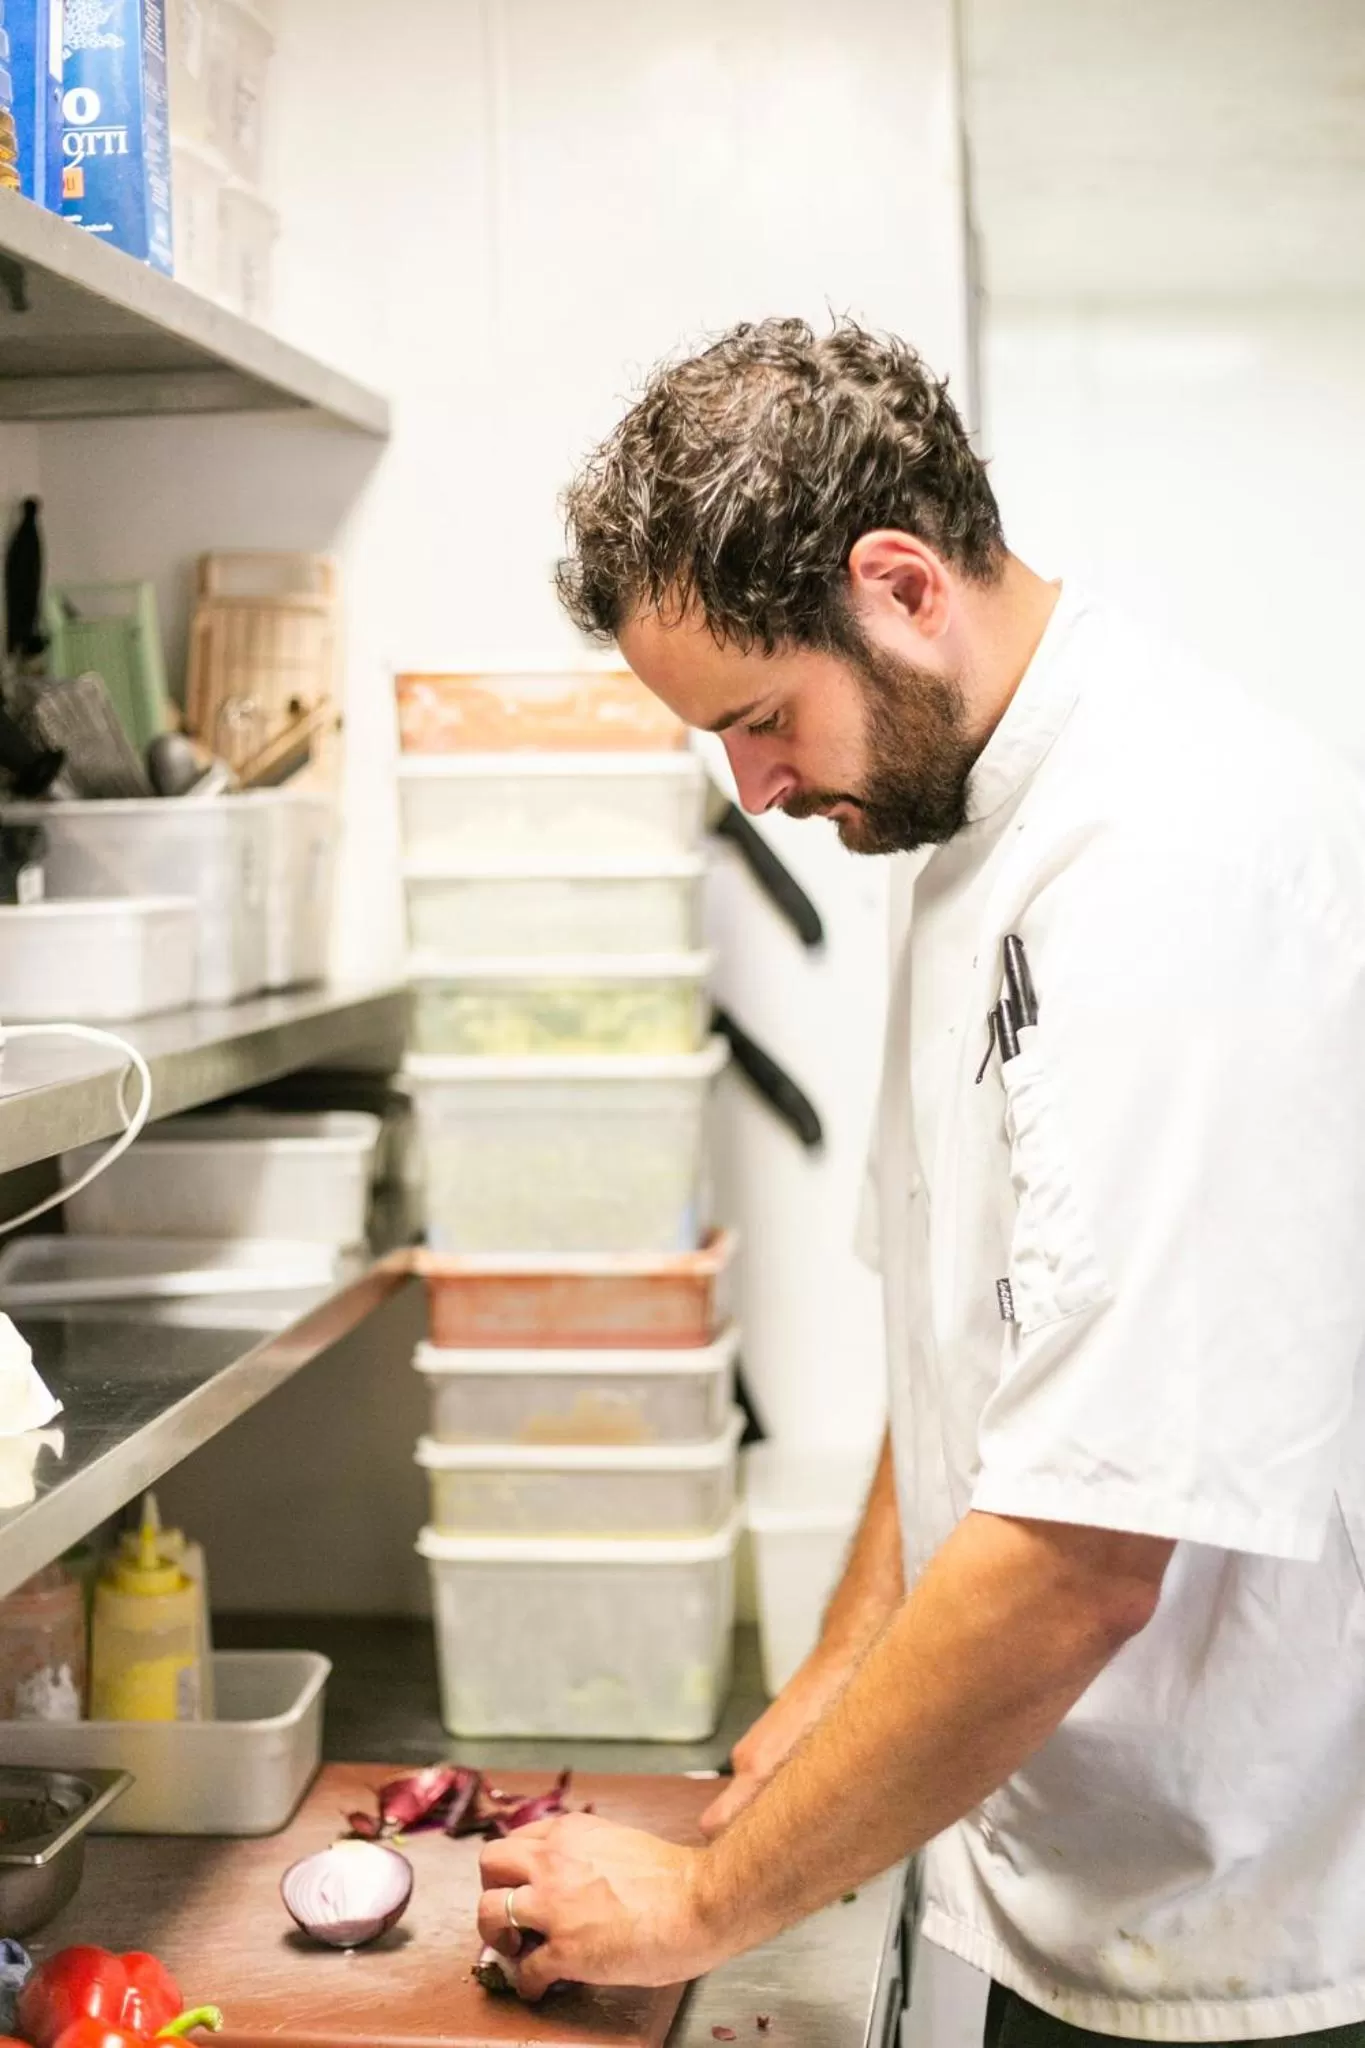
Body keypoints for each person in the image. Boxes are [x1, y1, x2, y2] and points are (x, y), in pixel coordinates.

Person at [476, 317, 1365, 2046]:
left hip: (1258, 1929)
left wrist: (701, 1902)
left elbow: (1085, 1554)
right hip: (1085, 1869)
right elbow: (977, 1334)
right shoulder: (965, 823)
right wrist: (837, 1670)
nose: (755, 786)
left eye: (759, 719)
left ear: (899, 586)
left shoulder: (1167, 855)